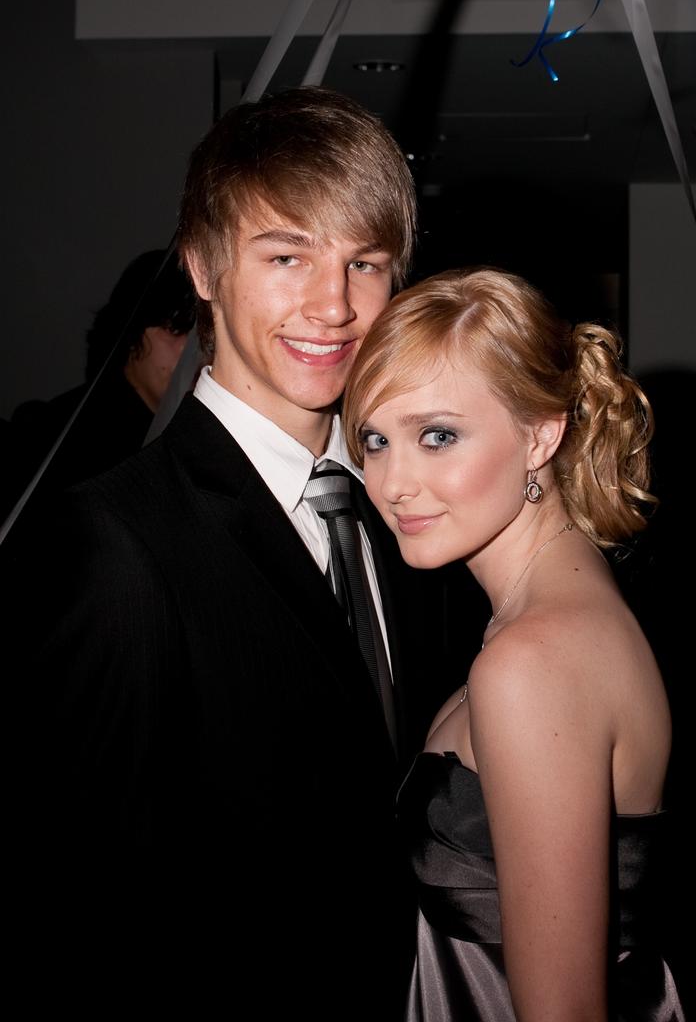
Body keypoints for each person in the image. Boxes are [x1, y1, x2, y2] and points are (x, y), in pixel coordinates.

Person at [7, 90, 484, 1016]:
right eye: (286, 256)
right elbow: (79, 905)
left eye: (365, 263)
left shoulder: (415, 513)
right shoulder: (116, 543)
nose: (334, 304)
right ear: (203, 268)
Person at [343, 267, 686, 1021]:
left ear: (540, 434)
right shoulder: (568, 602)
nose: (393, 481)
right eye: (373, 439)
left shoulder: (530, 661)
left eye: (438, 436)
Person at [3, 249, 195, 517]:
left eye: (203, 338)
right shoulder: (67, 434)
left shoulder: (182, 439)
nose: (191, 352)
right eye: (175, 329)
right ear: (132, 330)